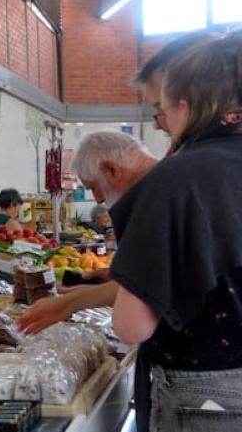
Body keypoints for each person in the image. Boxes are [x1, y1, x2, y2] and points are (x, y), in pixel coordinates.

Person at [107, 30, 242, 432]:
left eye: (161, 111)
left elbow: (131, 325)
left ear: (184, 106)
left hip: (212, 409)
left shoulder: (179, 178)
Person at [17, 30, 217, 337]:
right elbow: (166, 281)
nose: (156, 123)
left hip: (198, 365)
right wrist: (108, 285)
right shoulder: (208, 165)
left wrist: (72, 303)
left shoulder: (171, 182)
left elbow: (132, 324)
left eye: (159, 109)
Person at [16, 132, 158, 335]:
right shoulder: (155, 194)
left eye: (94, 187)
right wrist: (107, 285)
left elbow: (146, 287)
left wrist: (66, 303)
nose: (98, 199)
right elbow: (148, 279)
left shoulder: (160, 200)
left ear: (112, 170)